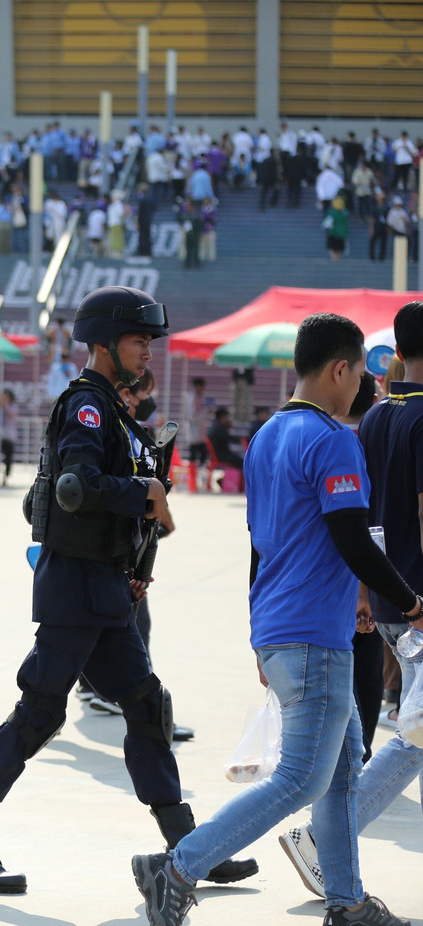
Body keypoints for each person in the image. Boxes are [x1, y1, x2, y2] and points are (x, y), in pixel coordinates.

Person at [0, 286, 256, 896]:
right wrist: (146, 495)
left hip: (104, 586)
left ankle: (189, 849)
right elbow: (74, 487)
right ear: (106, 345)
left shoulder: (114, 410)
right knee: (40, 712)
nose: (148, 354)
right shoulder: (86, 406)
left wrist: (134, 550)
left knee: (145, 704)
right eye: (139, 342)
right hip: (75, 587)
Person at [134, 313, 419, 926]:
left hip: (287, 627)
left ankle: (347, 903)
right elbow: (352, 536)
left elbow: (260, 545)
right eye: (357, 376)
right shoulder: (334, 439)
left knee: (341, 777)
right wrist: (410, 599)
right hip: (315, 634)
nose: (360, 391)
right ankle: (178, 867)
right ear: (340, 369)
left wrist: (259, 633)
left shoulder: (266, 435)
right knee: (300, 780)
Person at [278, 302, 423, 901]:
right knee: (415, 729)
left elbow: (364, 519)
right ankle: (323, 837)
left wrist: (367, 591)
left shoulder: (381, 416)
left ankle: (326, 837)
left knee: (416, 725)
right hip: (416, 598)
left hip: (389, 596)